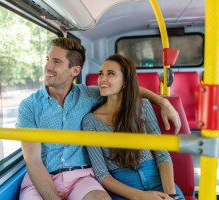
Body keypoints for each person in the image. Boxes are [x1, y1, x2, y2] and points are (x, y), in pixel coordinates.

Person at [16, 37, 181, 200]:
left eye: (56, 61)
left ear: (75, 71)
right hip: (41, 179)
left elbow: (127, 90)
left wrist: (162, 102)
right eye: (47, 59)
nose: (48, 66)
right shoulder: (29, 106)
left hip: (80, 178)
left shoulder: (88, 95)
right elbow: (33, 160)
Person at [82, 54, 184, 200]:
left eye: (110, 74)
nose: (102, 79)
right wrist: (141, 196)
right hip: (125, 190)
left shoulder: (143, 107)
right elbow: (102, 174)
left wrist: (171, 195)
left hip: (159, 183)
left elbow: (162, 154)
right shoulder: (90, 122)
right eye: (100, 74)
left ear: (124, 82)